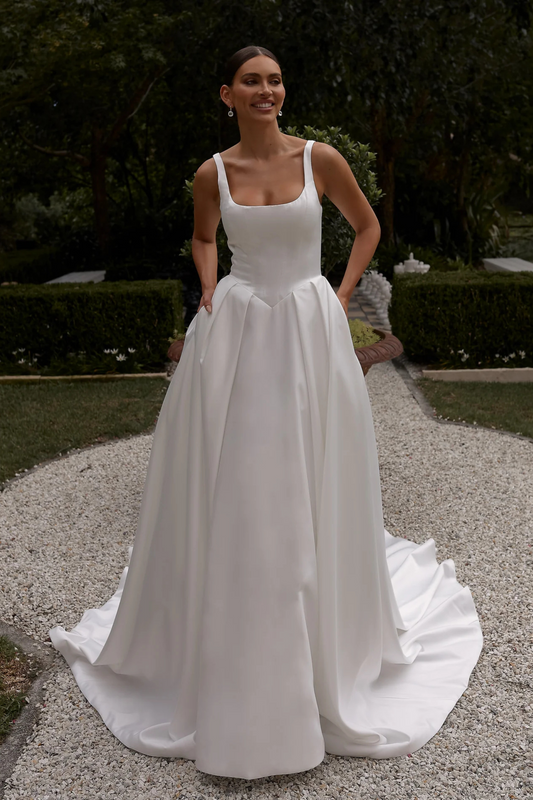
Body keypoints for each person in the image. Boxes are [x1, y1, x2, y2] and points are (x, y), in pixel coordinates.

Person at [50, 45, 483, 781]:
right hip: (238, 330)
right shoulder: (211, 173)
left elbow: (368, 228)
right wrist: (208, 285)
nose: (266, 90)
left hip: (309, 328)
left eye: (275, 80)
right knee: (244, 482)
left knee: (311, 471)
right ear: (227, 94)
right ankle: (239, 630)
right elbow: (203, 236)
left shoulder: (320, 159)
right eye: (251, 81)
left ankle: (319, 636)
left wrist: (338, 294)